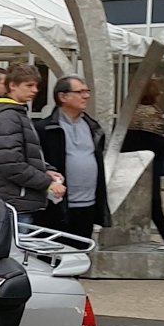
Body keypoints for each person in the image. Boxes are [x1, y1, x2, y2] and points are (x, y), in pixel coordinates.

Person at [0, 63, 65, 224]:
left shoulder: (15, 113)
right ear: (12, 85)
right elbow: (10, 163)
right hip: (17, 202)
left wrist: (46, 170)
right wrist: (47, 183)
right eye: (29, 85)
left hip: (20, 199)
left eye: (36, 85)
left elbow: (24, 155)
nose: (35, 90)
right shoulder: (8, 116)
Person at [34, 75, 111, 239]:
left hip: (89, 205)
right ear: (63, 96)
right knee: (58, 251)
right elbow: (38, 164)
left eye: (87, 91)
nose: (86, 96)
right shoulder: (45, 129)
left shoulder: (93, 127)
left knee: (82, 249)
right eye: (80, 92)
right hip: (58, 206)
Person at [122, 76, 164, 247]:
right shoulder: (149, 112)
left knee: (144, 202)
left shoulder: (133, 111)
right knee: (153, 201)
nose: (161, 93)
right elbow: (156, 142)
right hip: (147, 164)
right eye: (159, 90)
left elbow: (145, 135)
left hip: (131, 161)